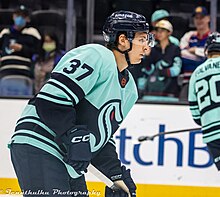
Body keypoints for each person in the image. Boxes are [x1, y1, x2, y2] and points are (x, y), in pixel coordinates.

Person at [8, 10, 154, 197]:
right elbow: (50, 100)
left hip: (67, 160)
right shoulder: (96, 55)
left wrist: (115, 174)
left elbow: (99, 137)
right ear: (123, 40)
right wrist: (73, 134)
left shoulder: (130, 89)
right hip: (40, 143)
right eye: (142, 40)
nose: (146, 47)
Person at [188, 32, 220, 172]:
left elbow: (195, 114)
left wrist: (208, 121)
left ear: (207, 51)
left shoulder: (196, 73)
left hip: (212, 135)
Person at [0, 5, 41, 96]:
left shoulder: (33, 33)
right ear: (13, 17)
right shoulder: (5, 33)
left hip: (23, 72)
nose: (20, 18)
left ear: (28, 19)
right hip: (5, 71)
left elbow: (38, 52)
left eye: (23, 16)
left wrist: (22, 48)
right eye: (18, 15)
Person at [141, 20, 182, 102]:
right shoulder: (152, 49)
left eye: (162, 31)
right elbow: (148, 70)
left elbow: (176, 70)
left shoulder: (175, 49)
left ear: (169, 32)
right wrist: (148, 56)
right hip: (152, 91)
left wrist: (158, 72)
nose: (159, 33)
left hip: (171, 92)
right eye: (157, 31)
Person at [179, 6, 211, 101]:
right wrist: (202, 56)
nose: (199, 20)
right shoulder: (188, 35)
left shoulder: (215, 37)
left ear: (208, 18)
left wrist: (195, 50)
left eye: (202, 17)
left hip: (208, 83)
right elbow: (182, 54)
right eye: (196, 18)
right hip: (188, 83)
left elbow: (214, 58)